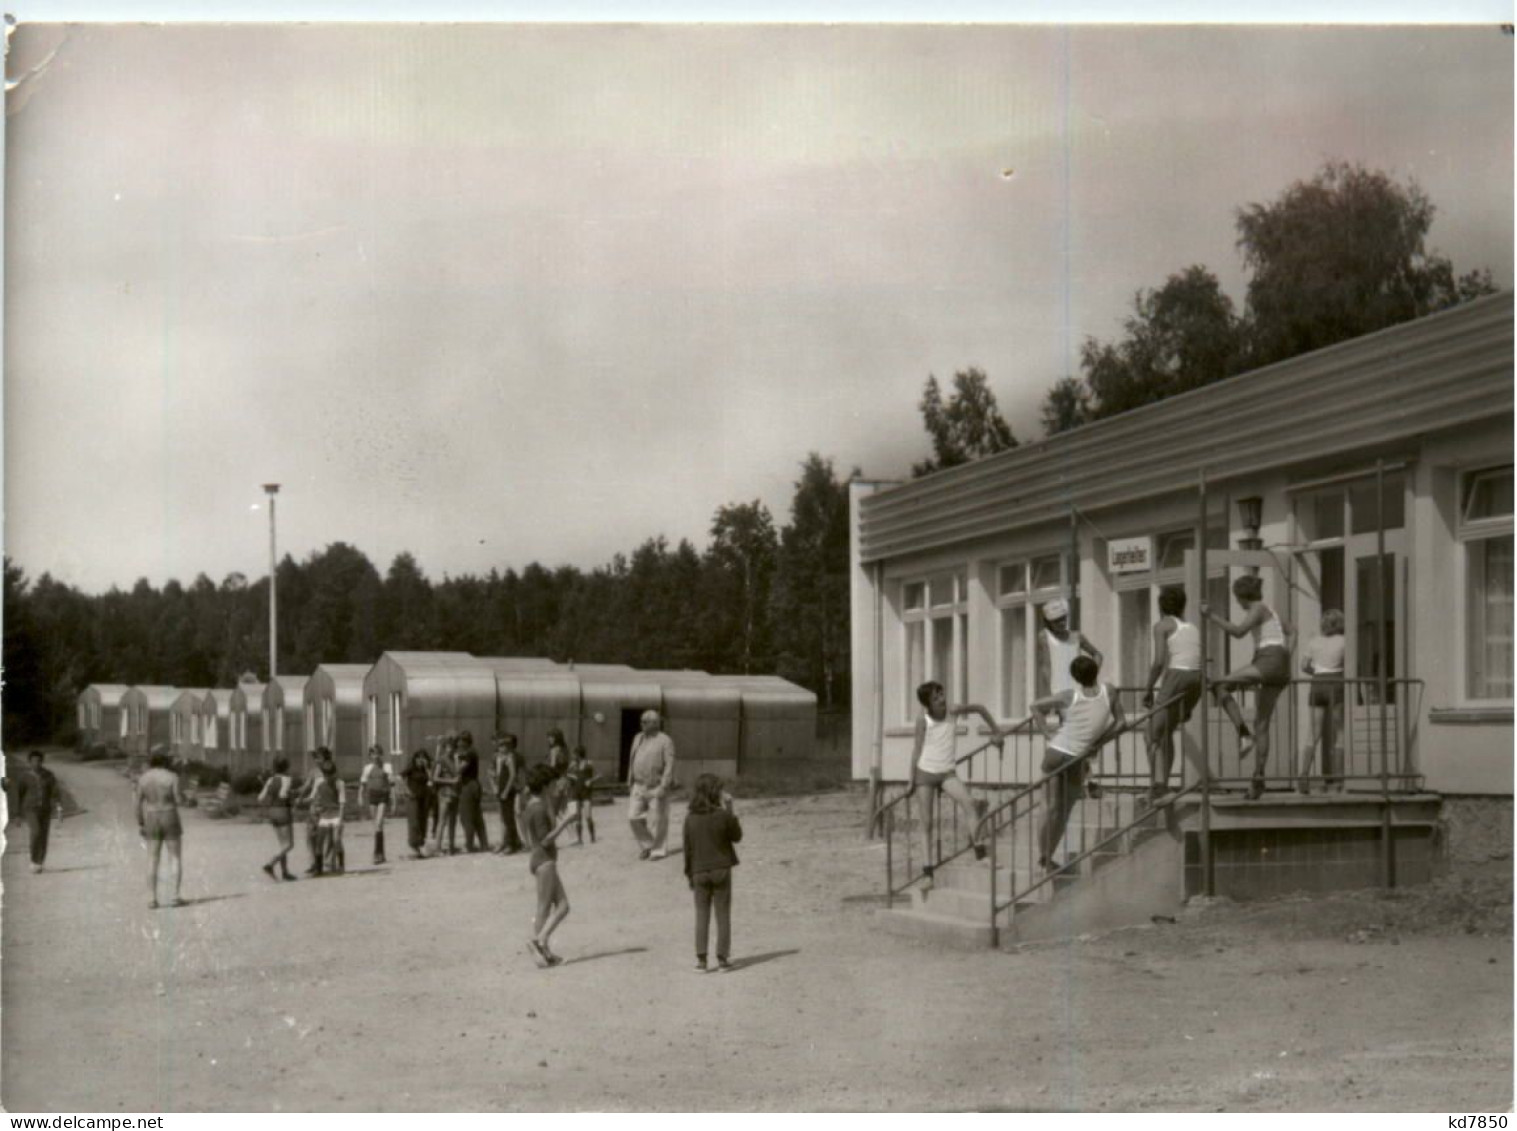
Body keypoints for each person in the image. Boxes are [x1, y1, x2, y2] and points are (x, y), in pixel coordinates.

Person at [1203, 574, 1295, 801]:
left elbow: (1238, 632)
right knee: (1262, 724)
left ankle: (1244, 734)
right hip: (1278, 665)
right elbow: (1293, 630)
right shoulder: (1271, 611)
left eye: (1237, 599)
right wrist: (1286, 656)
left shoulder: (1257, 608)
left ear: (1245, 597)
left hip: (1267, 660)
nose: (1238, 603)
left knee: (1219, 685)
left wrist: (1210, 616)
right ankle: (1258, 779)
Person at [1031, 655, 1126, 874]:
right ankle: (1045, 859)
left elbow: (1035, 705)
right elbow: (1121, 723)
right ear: (1096, 670)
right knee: (1064, 809)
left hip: (1057, 751)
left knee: (1049, 806)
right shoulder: (1109, 691)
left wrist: (1046, 732)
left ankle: (1042, 859)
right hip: (1078, 757)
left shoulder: (1069, 696)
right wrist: (1099, 744)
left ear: (1075, 677)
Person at [904, 681, 1003, 878]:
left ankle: (981, 855)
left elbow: (980, 709)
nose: (941, 699)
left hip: (947, 773)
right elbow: (917, 749)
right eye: (935, 698)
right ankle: (927, 871)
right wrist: (911, 780)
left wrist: (996, 731)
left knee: (969, 804)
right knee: (927, 823)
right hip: (925, 772)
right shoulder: (922, 719)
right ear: (928, 704)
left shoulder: (953, 710)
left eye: (941, 694)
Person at [1141, 586, 1205, 803]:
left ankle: (1159, 785)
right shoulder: (1192, 627)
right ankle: (1162, 784)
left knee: (1151, 733)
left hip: (1178, 676)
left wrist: (1148, 688)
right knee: (1166, 732)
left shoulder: (1162, 626)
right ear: (1182, 605)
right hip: (1197, 679)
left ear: (1161, 606)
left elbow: (1159, 662)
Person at [683, 774, 743, 973]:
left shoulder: (690, 818)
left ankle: (701, 961)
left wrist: (689, 875)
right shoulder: (722, 815)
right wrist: (730, 808)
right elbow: (737, 837)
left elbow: (687, 850)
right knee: (722, 914)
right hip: (721, 869)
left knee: (701, 915)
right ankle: (723, 959)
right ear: (715, 792)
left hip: (699, 871)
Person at [523, 764, 578, 968]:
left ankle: (544, 952)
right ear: (545, 785)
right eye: (552, 783)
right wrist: (567, 823)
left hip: (540, 860)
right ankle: (539, 942)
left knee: (561, 906)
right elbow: (546, 839)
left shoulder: (531, 806)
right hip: (545, 860)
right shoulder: (538, 810)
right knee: (547, 908)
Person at [1300, 609, 1347, 794]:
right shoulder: (1344, 641)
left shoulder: (1314, 641)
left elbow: (1304, 665)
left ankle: (1303, 776)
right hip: (1336, 682)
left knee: (1313, 732)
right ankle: (1338, 780)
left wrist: (1317, 673)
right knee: (1340, 732)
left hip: (1317, 683)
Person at [136, 750, 185, 908]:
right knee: (174, 857)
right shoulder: (172, 777)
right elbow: (178, 800)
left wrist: (141, 823)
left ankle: (152, 898)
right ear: (165, 761)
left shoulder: (143, 779)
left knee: (152, 858)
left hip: (151, 817)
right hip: (169, 815)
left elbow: (137, 804)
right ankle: (175, 896)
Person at [627, 710, 676, 860]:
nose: (641, 724)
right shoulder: (637, 738)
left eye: (645, 721)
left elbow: (670, 765)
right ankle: (648, 845)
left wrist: (664, 786)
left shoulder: (665, 741)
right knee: (633, 817)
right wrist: (630, 780)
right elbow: (632, 758)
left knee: (659, 819)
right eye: (642, 721)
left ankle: (658, 850)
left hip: (656, 786)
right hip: (638, 785)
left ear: (655, 723)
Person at [1037, 597, 1104, 697]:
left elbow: (1097, 655)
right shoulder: (1045, 637)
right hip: (1057, 689)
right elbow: (1046, 666)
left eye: (1063, 619)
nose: (1061, 623)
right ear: (1049, 623)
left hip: (1079, 688)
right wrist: (1048, 692)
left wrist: (1091, 676)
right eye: (1056, 621)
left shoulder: (1077, 637)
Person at [17, 750, 62, 874]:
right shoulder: (24, 777)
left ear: (42, 762)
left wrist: (58, 805)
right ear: (29, 762)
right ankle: (33, 860)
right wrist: (18, 814)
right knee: (36, 832)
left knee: (43, 836)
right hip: (30, 809)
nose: (36, 763)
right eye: (33, 761)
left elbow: (55, 791)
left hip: (45, 809)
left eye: (38, 761)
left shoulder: (48, 775)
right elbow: (19, 795)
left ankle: (40, 862)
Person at [257, 756, 298, 881]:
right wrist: (293, 796)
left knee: (282, 845)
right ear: (286, 767)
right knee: (289, 845)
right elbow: (284, 795)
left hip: (272, 811)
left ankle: (285, 872)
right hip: (283, 810)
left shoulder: (270, 780)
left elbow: (260, 798)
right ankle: (270, 864)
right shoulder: (287, 779)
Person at [359, 745, 396, 864]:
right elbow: (363, 784)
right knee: (377, 826)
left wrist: (393, 800)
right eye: (373, 754)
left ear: (381, 754)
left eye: (378, 754)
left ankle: (377, 853)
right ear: (370, 756)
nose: (376, 756)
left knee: (379, 822)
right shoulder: (367, 768)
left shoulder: (387, 767)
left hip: (383, 796)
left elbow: (392, 785)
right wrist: (360, 796)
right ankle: (381, 854)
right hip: (372, 796)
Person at [311, 756, 346, 874]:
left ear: (334, 773)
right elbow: (316, 798)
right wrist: (316, 808)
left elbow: (342, 803)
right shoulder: (319, 783)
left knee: (336, 840)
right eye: (326, 775)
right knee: (319, 841)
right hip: (324, 815)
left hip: (336, 814)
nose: (328, 777)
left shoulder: (340, 783)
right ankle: (319, 868)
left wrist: (340, 819)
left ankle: (341, 864)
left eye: (330, 774)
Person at [456, 736, 491, 853]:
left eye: (461, 743)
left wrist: (456, 758)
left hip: (468, 786)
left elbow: (459, 769)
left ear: (466, 742)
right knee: (476, 816)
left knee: (467, 816)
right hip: (474, 784)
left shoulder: (469, 753)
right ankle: (484, 843)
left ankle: (469, 845)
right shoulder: (472, 752)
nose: (459, 745)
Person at [492, 733, 525, 855]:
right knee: (505, 818)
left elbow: (512, 776)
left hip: (507, 790)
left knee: (508, 818)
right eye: (500, 746)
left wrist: (506, 791)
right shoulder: (501, 757)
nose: (500, 748)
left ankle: (511, 845)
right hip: (502, 788)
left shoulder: (510, 757)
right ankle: (512, 842)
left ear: (508, 747)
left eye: (503, 746)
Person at [431, 735, 461, 855]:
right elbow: (435, 777)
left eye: (453, 747)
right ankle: (438, 847)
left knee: (453, 821)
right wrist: (450, 781)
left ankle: (451, 846)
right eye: (448, 747)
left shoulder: (455, 759)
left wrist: (457, 760)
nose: (451, 749)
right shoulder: (441, 760)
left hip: (454, 793)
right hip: (444, 793)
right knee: (442, 821)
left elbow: (458, 774)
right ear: (445, 748)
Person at [402, 748, 433, 860]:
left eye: (423, 757)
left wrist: (427, 767)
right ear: (415, 758)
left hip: (424, 798)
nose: (420, 760)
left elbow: (431, 779)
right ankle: (414, 845)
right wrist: (406, 789)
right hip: (412, 798)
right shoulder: (411, 768)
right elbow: (402, 777)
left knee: (422, 821)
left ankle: (420, 846)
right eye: (418, 757)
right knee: (414, 821)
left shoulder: (426, 769)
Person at [564, 745, 597, 845]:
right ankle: (579, 839)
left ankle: (592, 836)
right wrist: (571, 776)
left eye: (574, 754)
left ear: (579, 754)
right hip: (576, 791)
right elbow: (566, 774)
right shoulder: (573, 765)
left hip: (586, 792)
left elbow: (599, 775)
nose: (573, 756)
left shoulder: (589, 764)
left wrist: (591, 780)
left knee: (588, 816)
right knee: (578, 817)